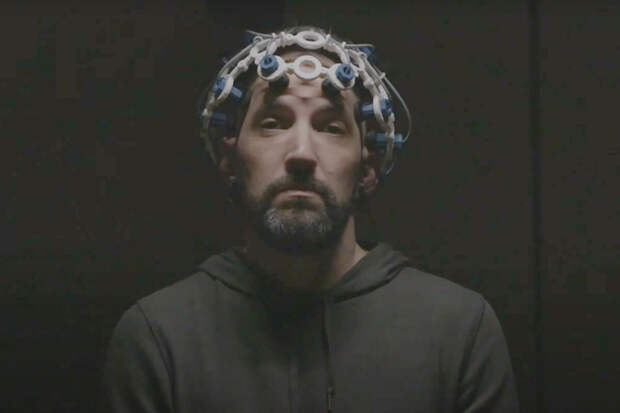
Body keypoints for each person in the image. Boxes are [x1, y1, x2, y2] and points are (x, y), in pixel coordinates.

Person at [101, 26, 520, 413]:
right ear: (230, 159)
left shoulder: (458, 331)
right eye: (273, 123)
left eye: (331, 127)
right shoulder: (159, 337)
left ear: (367, 168)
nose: (301, 153)